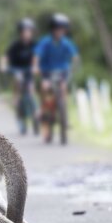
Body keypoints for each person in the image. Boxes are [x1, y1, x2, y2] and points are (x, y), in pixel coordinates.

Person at [33, 13, 79, 144]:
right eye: (58, 29)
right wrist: (36, 67)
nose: (61, 31)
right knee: (46, 92)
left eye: (63, 29)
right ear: (53, 29)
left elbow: (74, 56)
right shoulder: (45, 42)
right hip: (47, 73)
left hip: (63, 72)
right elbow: (37, 56)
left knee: (63, 90)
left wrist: (74, 64)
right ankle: (45, 118)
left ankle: (64, 117)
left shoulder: (66, 43)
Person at [0, 18, 38, 135]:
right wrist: (3, 66)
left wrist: (37, 66)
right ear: (21, 32)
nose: (27, 33)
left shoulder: (34, 44)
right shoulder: (15, 45)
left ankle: (35, 115)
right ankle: (17, 109)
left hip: (29, 70)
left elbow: (39, 56)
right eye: (25, 31)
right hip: (17, 70)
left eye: (29, 31)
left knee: (31, 88)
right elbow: (5, 57)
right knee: (17, 84)